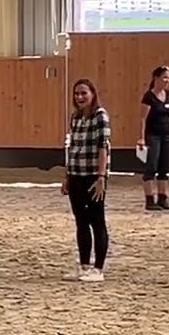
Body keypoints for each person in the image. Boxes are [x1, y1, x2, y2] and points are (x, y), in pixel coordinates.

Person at [62, 78, 111, 283]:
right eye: (77, 94)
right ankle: (84, 266)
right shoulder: (75, 118)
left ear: (92, 94)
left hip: (93, 176)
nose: (80, 97)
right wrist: (67, 176)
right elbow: (72, 148)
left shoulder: (101, 117)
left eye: (84, 93)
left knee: (97, 221)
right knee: (81, 222)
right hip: (76, 175)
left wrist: (101, 177)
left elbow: (103, 147)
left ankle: (98, 269)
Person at [138, 65, 169, 211]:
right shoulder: (149, 97)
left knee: (164, 167)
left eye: (168, 78)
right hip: (152, 136)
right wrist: (141, 138)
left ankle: (162, 198)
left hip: (166, 135)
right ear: (156, 78)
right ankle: (149, 200)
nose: (167, 80)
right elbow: (142, 118)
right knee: (151, 166)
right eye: (164, 77)